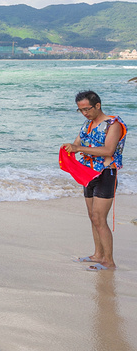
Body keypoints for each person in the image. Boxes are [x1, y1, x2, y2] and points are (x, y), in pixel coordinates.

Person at [62, 90, 127, 271]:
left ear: (97, 105)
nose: (85, 113)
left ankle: (109, 261)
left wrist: (78, 147)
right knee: (92, 217)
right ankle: (98, 255)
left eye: (87, 109)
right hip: (88, 173)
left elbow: (108, 151)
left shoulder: (113, 124)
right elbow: (76, 144)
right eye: (80, 110)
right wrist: (68, 149)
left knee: (100, 218)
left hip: (107, 174)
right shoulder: (87, 125)